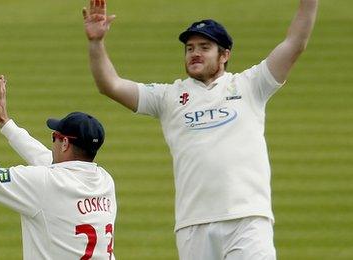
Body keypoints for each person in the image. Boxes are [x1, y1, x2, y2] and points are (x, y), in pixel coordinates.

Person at [82, 0, 318, 259]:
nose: (195, 53)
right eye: (190, 48)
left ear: (225, 55)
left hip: (247, 219)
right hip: (193, 225)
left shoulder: (250, 85)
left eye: (205, 47)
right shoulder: (169, 96)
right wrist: (96, 43)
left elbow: (295, 44)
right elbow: (110, 85)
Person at [0, 74, 117, 259]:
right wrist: (7, 125)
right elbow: (51, 162)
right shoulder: (105, 181)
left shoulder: (44, 183)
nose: (53, 144)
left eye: (55, 137)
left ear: (65, 143)